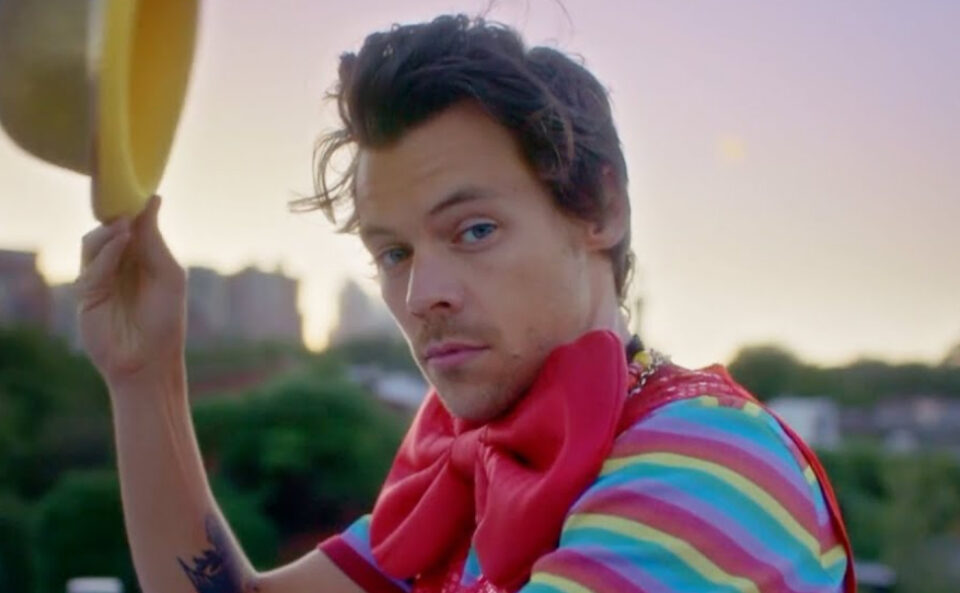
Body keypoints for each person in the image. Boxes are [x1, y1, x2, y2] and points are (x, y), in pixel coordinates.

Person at [77, 14, 855, 593]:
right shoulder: (471, 470)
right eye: (394, 253)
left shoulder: (707, 467)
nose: (423, 296)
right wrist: (145, 375)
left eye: (474, 230)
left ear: (599, 210)